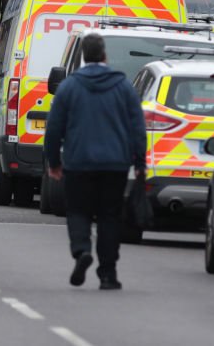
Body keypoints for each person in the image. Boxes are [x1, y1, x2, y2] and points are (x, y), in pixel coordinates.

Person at [44, 32, 146, 291]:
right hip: (115, 163)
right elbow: (137, 127)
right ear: (104, 55)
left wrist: (54, 161)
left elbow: (54, 128)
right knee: (109, 217)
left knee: (77, 211)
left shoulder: (68, 87)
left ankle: (81, 251)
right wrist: (139, 161)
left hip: (78, 163)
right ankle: (108, 274)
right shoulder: (123, 86)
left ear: (82, 56)